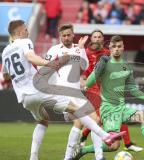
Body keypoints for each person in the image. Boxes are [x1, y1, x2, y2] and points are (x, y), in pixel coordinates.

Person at [1, 20, 125, 160]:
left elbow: (5, 76)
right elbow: (31, 58)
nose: (27, 32)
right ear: (18, 33)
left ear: (73, 35)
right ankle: (105, 138)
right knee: (80, 112)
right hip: (41, 90)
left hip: (24, 97)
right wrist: (49, 63)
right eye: (25, 30)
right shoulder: (26, 42)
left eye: (69, 34)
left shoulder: (5, 51)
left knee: (43, 120)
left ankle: (34, 157)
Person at [73, 35, 144, 160]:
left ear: (123, 47)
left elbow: (133, 90)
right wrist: (98, 68)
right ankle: (83, 150)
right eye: (114, 47)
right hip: (108, 109)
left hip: (122, 108)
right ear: (110, 48)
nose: (117, 49)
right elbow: (88, 84)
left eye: (119, 46)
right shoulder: (104, 63)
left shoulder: (126, 66)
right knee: (114, 145)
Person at [45, 24, 105, 160]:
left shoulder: (78, 49)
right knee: (82, 120)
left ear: (73, 35)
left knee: (94, 120)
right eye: (63, 35)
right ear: (60, 37)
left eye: (68, 35)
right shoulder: (54, 50)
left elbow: (84, 67)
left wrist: (82, 48)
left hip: (77, 93)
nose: (66, 38)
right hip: (62, 94)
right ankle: (81, 157)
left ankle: (97, 157)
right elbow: (43, 67)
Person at [80, 29, 143, 153]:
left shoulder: (108, 53)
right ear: (91, 39)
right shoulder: (85, 52)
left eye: (99, 37)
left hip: (104, 89)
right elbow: (82, 70)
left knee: (108, 117)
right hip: (92, 90)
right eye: (95, 37)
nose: (97, 39)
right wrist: (83, 82)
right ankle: (84, 139)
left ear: (103, 40)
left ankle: (85, 140)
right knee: (99, 119)